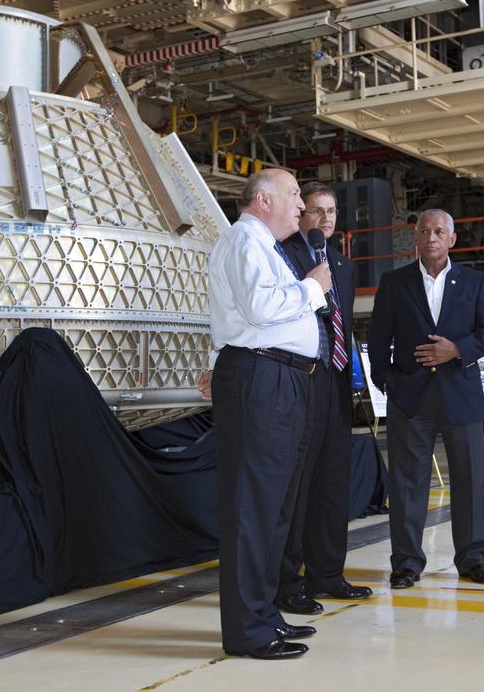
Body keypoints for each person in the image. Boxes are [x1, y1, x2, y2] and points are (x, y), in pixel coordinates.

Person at [197, 169, 333, 660]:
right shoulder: (244, 240)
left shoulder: (264, 246)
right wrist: (312, 289)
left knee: (275, 508)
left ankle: (262, 613)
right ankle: (247, 631)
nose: (301, 205)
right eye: (294, 195)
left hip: (281, 378)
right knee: (253, 508)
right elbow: (258, 308)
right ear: (263, 200)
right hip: (263, 378)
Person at [367, 209, 484, 590]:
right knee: (407, 485)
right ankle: (406, 563)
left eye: (440, 231)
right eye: (425, 231)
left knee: (470, 481)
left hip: (460, 395)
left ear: (452, 239)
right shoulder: (394, 283)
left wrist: (456, 350)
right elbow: (378, 339)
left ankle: (473, 559)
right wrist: (388, 381)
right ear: (416, 237)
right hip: (410, 399)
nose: (432, 237)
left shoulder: (474, 282)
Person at [274, 182, 374, 615]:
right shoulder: (283, 255)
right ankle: (286, 580)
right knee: (297, 487)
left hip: (335, 383)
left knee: (333, 482)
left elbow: (343, 327)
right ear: (301, 214)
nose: (326, 219)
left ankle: (328, 574)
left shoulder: (343, 266)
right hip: (300, 379)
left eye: (331, 211)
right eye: (317, 210)